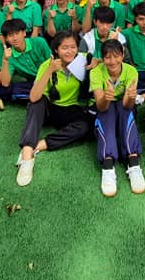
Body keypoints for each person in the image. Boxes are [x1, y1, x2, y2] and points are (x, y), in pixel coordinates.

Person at [15, 31, 92, 187]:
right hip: (49, 108)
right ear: (56, 49)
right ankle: (27, 151)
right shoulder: (47, 65)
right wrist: (49, 70)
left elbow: (102, 60)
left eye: (73, 47)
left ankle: (41, 145)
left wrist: (96, 62)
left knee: (86, 126)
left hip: (70, 109)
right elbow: (33, 97)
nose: (69, 51)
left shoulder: (83, 60)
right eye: (64, 48)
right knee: (36, 103)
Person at [90, 38, 145, 196]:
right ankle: (108, 166)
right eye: (107, 57)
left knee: (125, 112)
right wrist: (106, 97)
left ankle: (133, 163)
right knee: (106, 115)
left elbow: (128, 105)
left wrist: (131, 96)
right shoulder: (95, 72)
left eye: (116, 56)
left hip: (124, 104)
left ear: (122, 55)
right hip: (105, 105)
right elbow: (100, 106)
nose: (112, 61)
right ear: (103, 58)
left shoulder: (131, 71)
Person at [1, 18, 53, 101]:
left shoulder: (39, 42)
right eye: (10, 35)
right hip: (34, 83)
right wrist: (5, 61)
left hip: (50, 78)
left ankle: (42, 96)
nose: (15, 38)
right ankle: (42, 96)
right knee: (14, 89)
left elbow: (52, 61)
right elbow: (5, 83)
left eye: (17, 33)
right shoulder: (9, 55)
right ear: (6, 38)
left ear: (24, 33)